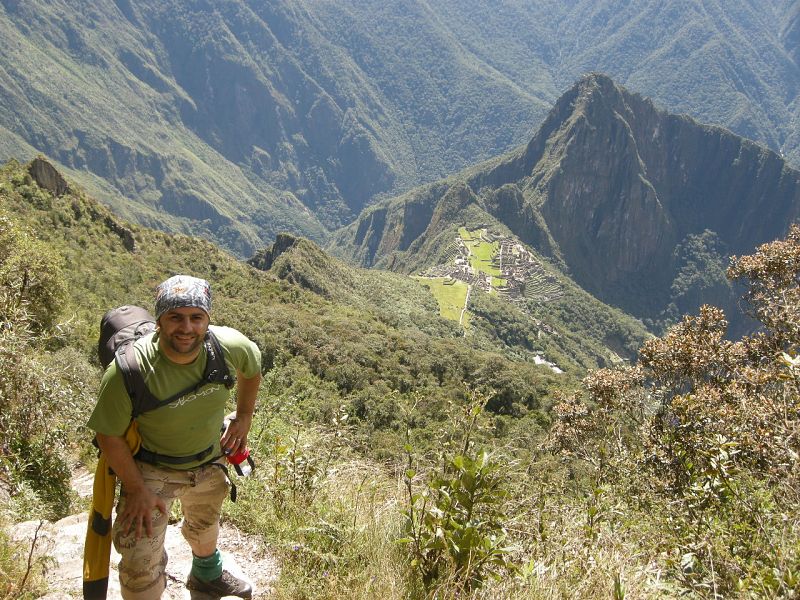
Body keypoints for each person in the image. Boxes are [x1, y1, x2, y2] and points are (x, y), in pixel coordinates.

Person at [87, 275, 262, 599]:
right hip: (152, 468)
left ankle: (206, 575)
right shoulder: (129, 370)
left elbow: (251, 368)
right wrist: (137, 489)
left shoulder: (228, 347)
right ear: (159, 322)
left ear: (207, 321)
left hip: (209, 459)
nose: (186, 327)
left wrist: (244, 416)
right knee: (139, 562)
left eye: (196, 317)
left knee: (205, 523)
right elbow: (108, 435)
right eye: (175, 317)